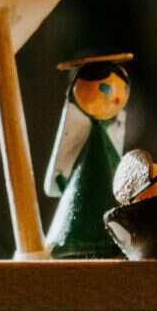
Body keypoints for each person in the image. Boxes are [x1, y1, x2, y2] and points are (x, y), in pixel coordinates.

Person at [41, 52, 132, 258]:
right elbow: (62, 167)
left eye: (124, 89)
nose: (116, 97)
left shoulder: (111, 129)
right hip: (81, 194)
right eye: (106, 88)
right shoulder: (81, 128)